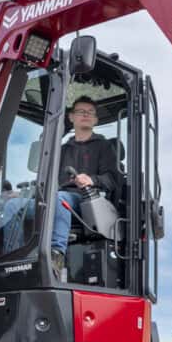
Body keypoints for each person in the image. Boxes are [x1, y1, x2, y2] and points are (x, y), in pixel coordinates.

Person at [51, 96, 122, 273]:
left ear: (96, 120)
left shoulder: (104, 147)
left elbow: (113, 179)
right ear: (71, 117)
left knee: (61, 199)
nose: (86, 115)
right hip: (55, 197)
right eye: (81, 112)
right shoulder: (62, 149)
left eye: (91, 113)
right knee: (14, 206)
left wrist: (92, 180)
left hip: (85, 200)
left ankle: (55, 256)